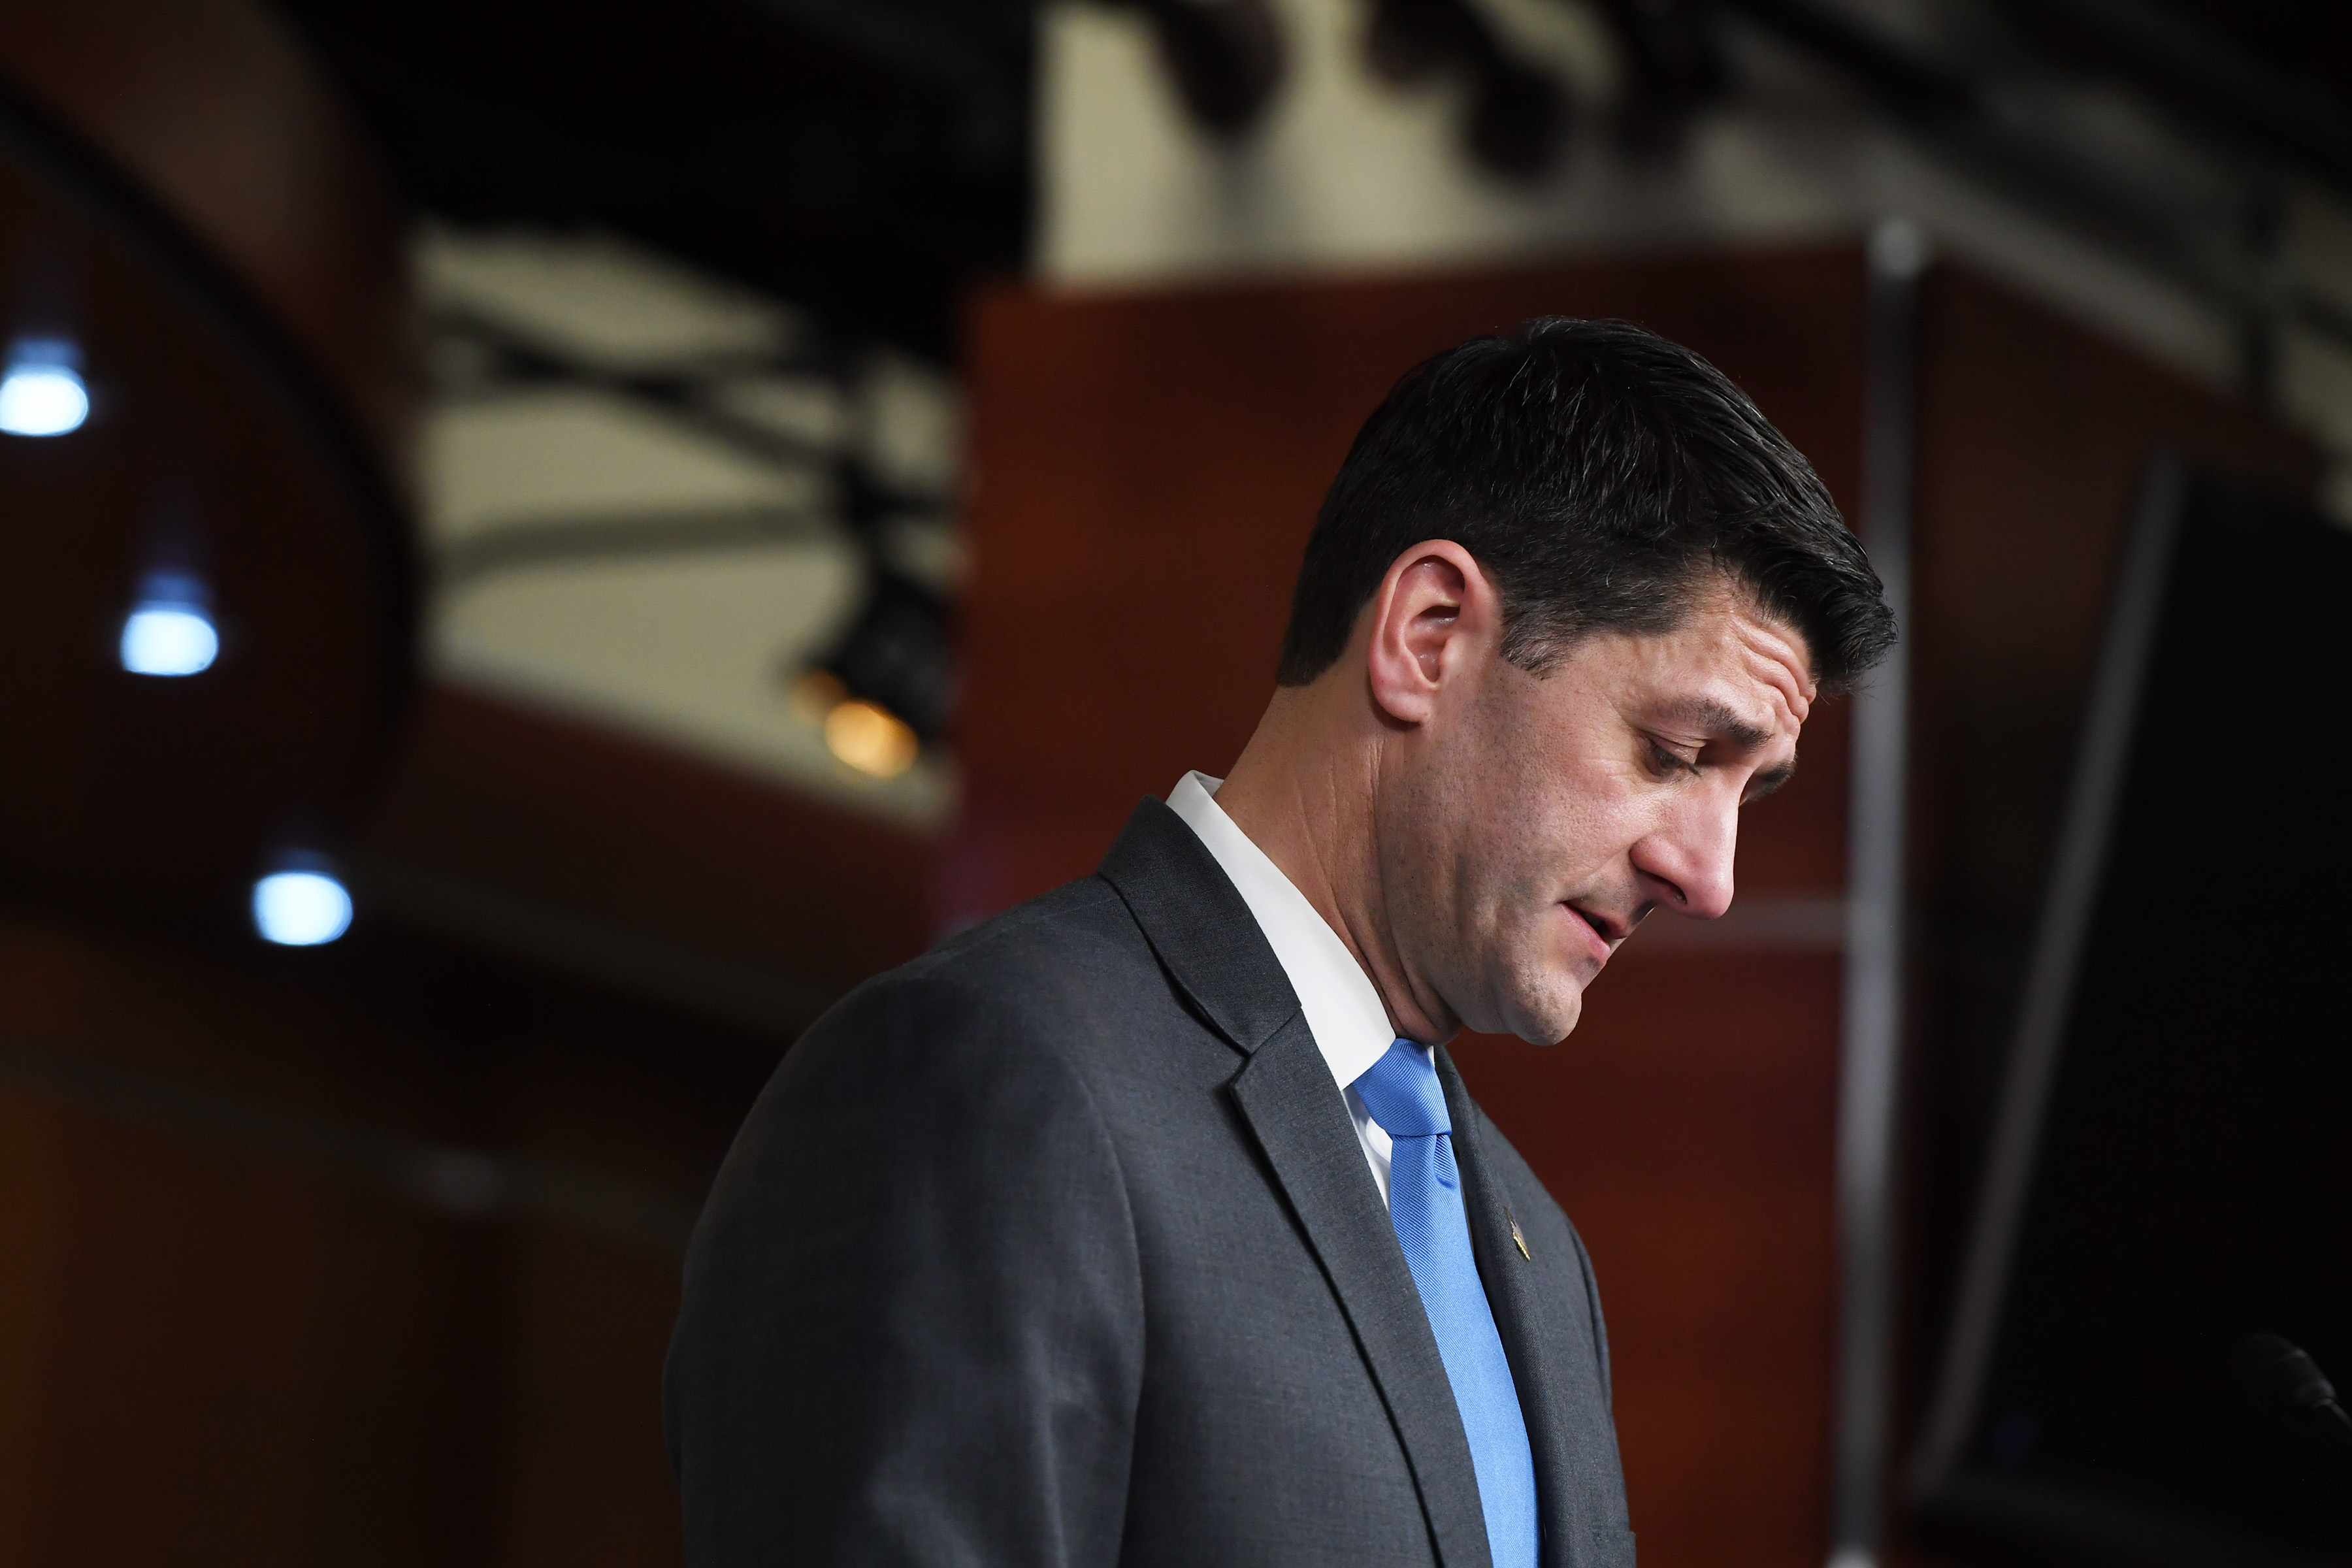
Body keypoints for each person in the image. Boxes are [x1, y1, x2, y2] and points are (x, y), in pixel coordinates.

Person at [664, 316, 1896, 1568]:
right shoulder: (985, 1076)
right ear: (1427, 636)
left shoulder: (1539, 1254)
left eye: (1750, 791)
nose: (1710, 877)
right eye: (1676, 753)